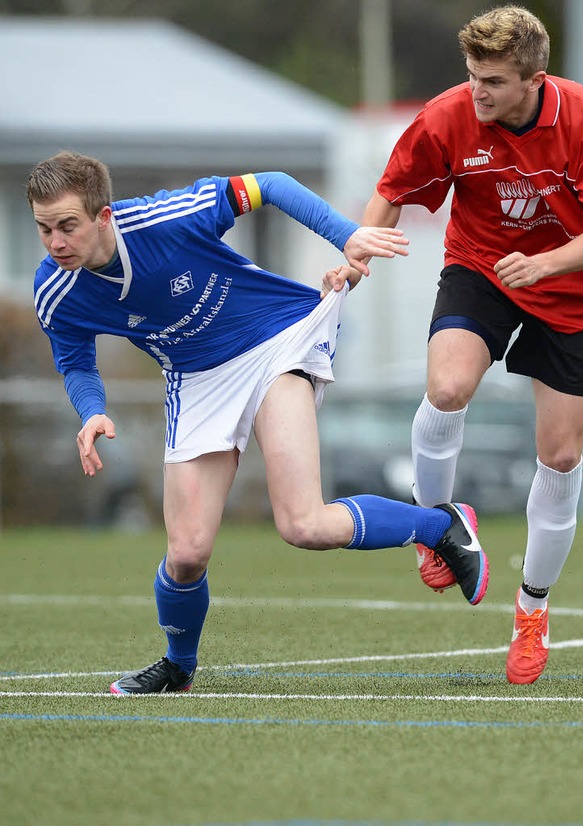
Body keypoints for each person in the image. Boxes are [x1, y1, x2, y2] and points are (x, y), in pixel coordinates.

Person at [27, 150, 489, 695]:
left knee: (304, 524)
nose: (55, 241)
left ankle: (441, 526)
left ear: (103, 216)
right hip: (197, 383)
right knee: (187, 553)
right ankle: (178, 666)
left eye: (67, 226)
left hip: (274, 340)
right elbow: (76, 361)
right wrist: (93, 410)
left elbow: (268, 183)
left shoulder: (165, 218)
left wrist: (347, 236)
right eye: (43, 228)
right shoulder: (56, 292)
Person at [325, 5, 583, 684]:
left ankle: (531, 611)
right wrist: (356, 258)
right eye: (472, 75)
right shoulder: (448, 116)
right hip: (482, 269)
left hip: (572, 291)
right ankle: (434, 528)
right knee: (446, 388)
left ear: (534, 78)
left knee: (558, 454)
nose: (477, 92)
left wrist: (546, 264)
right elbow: (391, 191)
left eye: (493, 80)